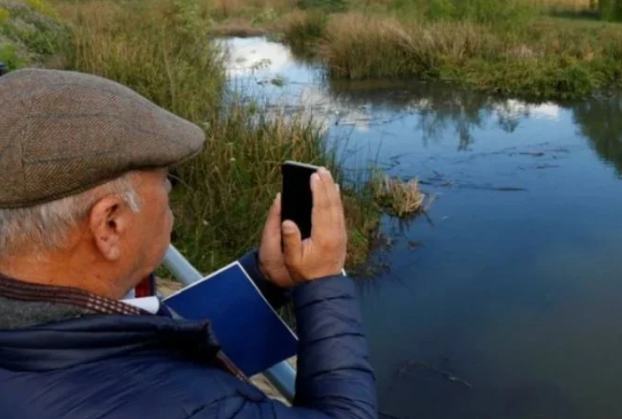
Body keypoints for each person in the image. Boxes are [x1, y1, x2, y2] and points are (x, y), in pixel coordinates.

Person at [0, 69, 377, 419]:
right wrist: (323, 282)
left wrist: (264, 278)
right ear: (110, 224)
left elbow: (146, 352)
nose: (171, 199)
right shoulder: (188, 408)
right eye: (167, 181)